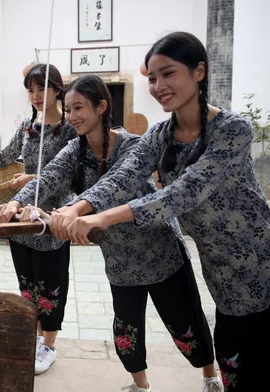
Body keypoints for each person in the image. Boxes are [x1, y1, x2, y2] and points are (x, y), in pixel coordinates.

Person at [66, 32, 270, 391]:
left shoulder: (232, 130)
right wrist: (79, 208)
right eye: (152, 78)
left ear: (199, 72)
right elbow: (125, 175)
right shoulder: (160, 135)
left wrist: (102, 217)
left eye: (168, 73)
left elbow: (183, 193)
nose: (159, 85)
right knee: (232, 362)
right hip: (220, 272)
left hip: (260, 265)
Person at [0, 74, 222, 390]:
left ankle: (210, 377)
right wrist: (17, 201)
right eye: (69, 109)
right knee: (127, 328)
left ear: (101, 106)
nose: (72, 116)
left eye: (79, 108)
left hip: (160, 251)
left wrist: (76, 209)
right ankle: (140, 385)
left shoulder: (133, 146)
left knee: (186, 322)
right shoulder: (75, 150)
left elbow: (116, 186)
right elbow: (47, 178)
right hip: (118, 257)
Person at [0, 63, 78, 375]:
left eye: (42, 88)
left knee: (52, 284)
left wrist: (30, 177)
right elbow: (3, 158)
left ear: (58, 89)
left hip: (51, 220)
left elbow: (72, 174)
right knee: (28, 284)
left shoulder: (71, 128)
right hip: (20, 220)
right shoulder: (26, 126)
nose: (36, 95)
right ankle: (34, 339)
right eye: (31, 90)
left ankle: (48, 344)